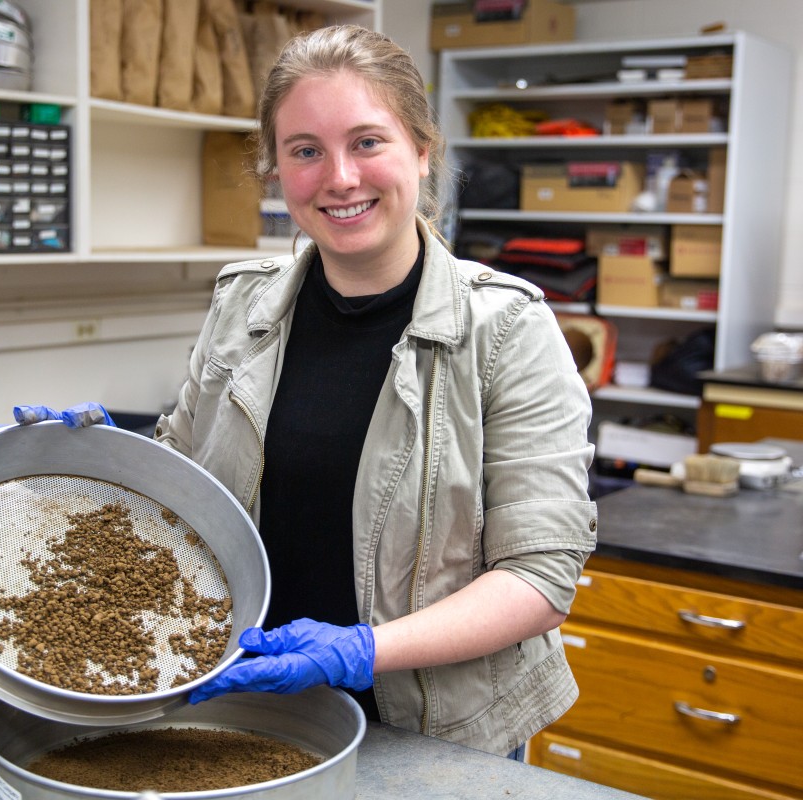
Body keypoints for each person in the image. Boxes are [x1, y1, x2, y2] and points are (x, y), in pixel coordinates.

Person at [147, 24, 598, 758]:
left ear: (421, 150)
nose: (340, 178)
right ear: (276, 169)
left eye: (366, 142)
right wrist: (95, 463)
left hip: (432, 737)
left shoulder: (509, 328)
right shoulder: (241, 306)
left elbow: (540, 579)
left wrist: (361, 650)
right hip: (245, 714)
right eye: (305, 151)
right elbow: (179, 487)